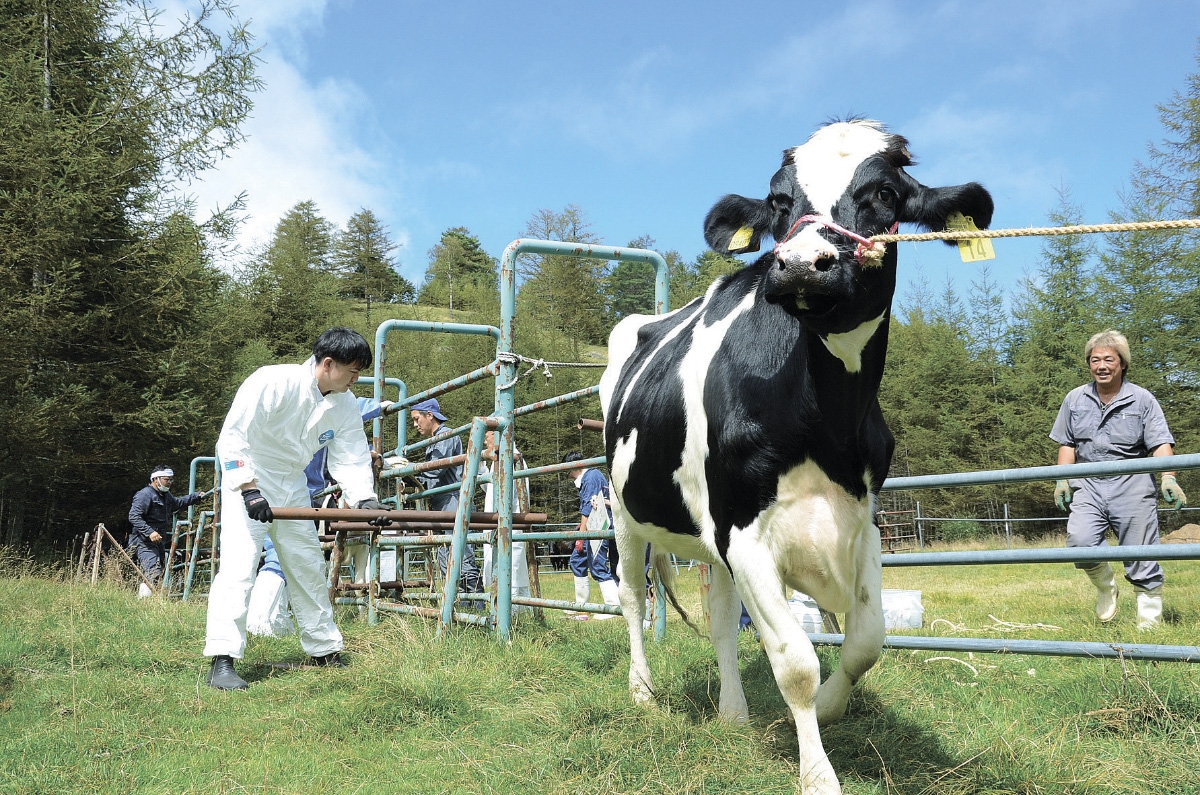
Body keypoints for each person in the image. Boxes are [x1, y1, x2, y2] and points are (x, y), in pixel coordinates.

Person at [204, 328, 390, 690]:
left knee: (306, 565)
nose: (356, 379)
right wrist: (249, 489)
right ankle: (222, 660)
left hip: (292, 483)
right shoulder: (272, 380)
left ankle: (324, 650)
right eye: (352, 371)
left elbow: (350, 453)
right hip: (251, 476)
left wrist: (365, 499)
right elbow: (233, 436)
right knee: (240, 566)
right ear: (327, 363)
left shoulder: (345, 403)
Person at [1050, 329, 1186, 630]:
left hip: (1132, 481)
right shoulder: (1074, 399)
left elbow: (1160, 443)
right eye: (1094, 359)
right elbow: (1067, 444)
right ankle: (1106, 587)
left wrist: (1167, 477)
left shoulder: (1142, 399)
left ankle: (1148, 622)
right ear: (1088, 364)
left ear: (1122, 363)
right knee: (1080, 541)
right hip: (1087, 481)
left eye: (1108, 359)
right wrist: (1061, 480)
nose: (1101, 365)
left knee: (1140, 551)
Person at [410, 398, 482, 599]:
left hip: (453, 501)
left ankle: (476, 605)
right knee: (445, 555)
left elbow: (435, 470)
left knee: (462, 557)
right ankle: (457, 606)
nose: (415, 425)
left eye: (417, 419)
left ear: (429, 415)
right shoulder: (434, 440)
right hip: (441, 503)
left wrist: (408, 471)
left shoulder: (445, 436)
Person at [127, 466, 207, 597]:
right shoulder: (145, 495)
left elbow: (177, 503)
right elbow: (134, 516)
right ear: (156, 479)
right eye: (166, 480)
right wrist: (150, 532)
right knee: (153, 570)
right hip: (144, 541)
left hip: (158, 541)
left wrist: (195, 496)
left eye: (171, 480)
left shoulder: (165, 495)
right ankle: (144, 603)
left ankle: (149, 599)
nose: (169, 482)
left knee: (158, 571)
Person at [562, 451, 620, 620]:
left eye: (569, 471)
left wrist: (581, 535)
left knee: (597, 564)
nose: (570, 475)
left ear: (577, 465)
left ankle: (613, 606)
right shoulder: (590, 477)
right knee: (577, 560)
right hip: (592, 525)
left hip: (597, 526)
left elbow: (588, 507)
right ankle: (582, 607)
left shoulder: (591, 476)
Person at [480, 430, 532, 612]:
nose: (485, 443)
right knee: (507, 567)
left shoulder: (511, 458)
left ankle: (513, 612)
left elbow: (506, 495)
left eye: (486, 439)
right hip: (498, 522)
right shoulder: (499, 459)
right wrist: (481, 468)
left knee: (511, 568)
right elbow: (492, 490)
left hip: (508, 522)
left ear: (496, 436)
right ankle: (511, 610)